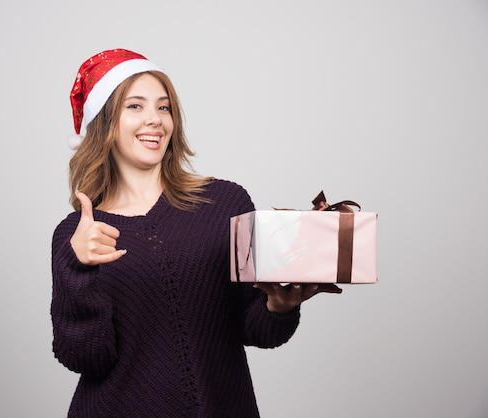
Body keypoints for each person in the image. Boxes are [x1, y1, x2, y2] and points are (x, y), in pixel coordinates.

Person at [50, 48, 342, 417]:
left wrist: (279, 306)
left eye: (164, 107)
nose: (155, 120)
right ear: (105, 122)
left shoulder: (225, 202)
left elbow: (258, 330)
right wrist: (78, 267)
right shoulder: (74, 236)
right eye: (135, 106)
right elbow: (86, 357)